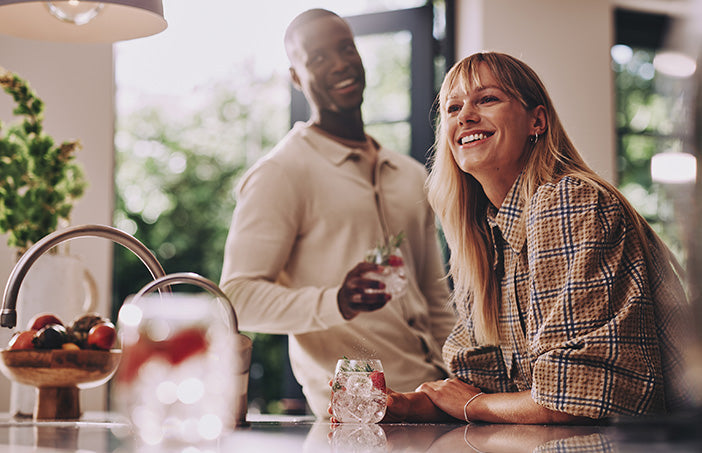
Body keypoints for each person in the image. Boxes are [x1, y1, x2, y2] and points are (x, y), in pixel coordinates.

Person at [384, 52, 693, 424]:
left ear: (537, 121)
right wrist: (412, 403)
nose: (465, 115)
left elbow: (579, 396)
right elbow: (481, 382)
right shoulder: (484, 233)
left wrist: (472, 406)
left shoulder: (566, 201)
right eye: (453, 107)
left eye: (487, 99)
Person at [219, 8, 454, 418]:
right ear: (296, 76)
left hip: (434, 404)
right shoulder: (281, 173)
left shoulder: (411, 175)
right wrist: (337, 302)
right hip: (354, 417)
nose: (341, 63)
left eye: (346, 48)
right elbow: (236, 298)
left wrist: (458, 381)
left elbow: (436, 298)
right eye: (318, 58)